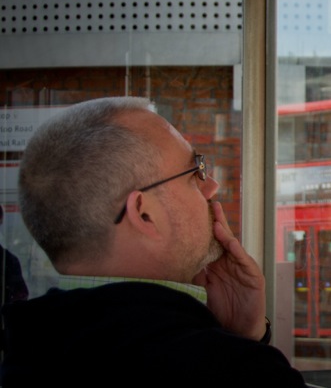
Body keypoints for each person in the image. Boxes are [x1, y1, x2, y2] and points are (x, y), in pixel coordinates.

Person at [1, 96, 306, 387]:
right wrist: (248, 347)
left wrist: (235, 335)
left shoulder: (26, 348)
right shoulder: (233, 372)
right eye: (195, 171)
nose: (211, 186)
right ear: (144, 213)